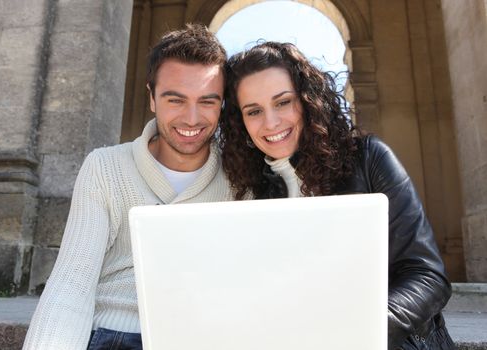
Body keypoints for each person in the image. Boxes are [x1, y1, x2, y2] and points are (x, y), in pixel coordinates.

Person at [219, 41, 455, 350]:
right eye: (254, 111)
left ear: (307, 100)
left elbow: (427, 276)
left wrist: (359, 334)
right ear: (241, 123)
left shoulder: (370, 159)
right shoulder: (253, 189)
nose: (271, 122)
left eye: (283, 102)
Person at [23, 24, 233, 350]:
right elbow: (71, 282)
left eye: (207, 101)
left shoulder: (239, 178)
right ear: (151, 97)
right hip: (114, 336)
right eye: (175, 99)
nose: (192, 118)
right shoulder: (105, 167)